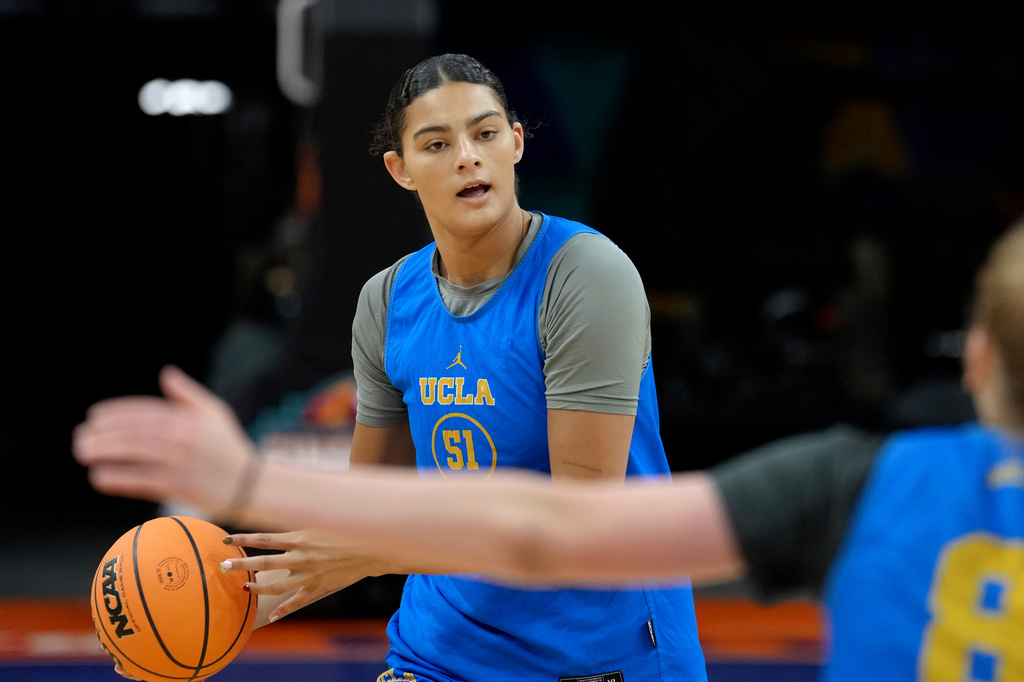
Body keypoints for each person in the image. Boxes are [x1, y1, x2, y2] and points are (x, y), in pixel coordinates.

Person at [77, 214, 1024, 680]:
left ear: (976, 359)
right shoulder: (401, 306)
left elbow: (553, 529)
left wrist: (251, 479)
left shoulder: (869, 481)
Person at [75, 53, 709, 682]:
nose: (468, 156)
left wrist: (347, 539)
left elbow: (580, 520)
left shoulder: (584, 274)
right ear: (400, 169)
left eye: (485, 133)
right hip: (438, 652)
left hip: (598, 655)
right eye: (437, 144)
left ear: (516, 143)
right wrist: (223, 606)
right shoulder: (387, 300)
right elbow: (365, 515)